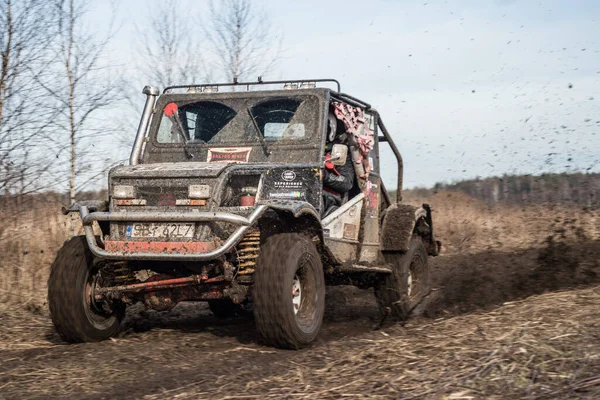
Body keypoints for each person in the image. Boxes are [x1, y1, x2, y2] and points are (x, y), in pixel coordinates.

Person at [322, 113, 355, 216]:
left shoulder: (338, 152)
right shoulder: (299, 153)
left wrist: (324, 176)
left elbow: (347, 183)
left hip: (329, 199)